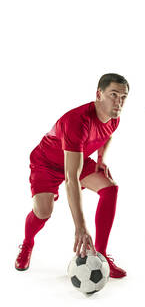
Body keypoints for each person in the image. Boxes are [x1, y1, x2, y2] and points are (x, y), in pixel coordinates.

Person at [19, 74, 130, 277]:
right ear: (99, 94)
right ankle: (27, 244)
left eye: (123, 97)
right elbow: (71, 178)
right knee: (43, 212)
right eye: (113, 95)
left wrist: (101, 159)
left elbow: (107, 135)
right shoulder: (77, 121)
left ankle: (101, 255)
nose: (119, 102)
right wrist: (80, 227)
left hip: (77, 157)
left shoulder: (114, 118)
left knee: (110, 189)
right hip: (47, 163)